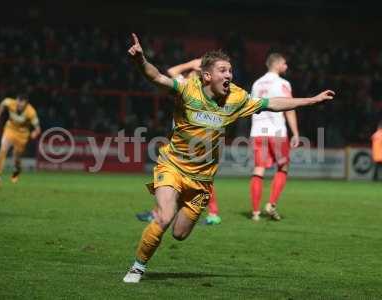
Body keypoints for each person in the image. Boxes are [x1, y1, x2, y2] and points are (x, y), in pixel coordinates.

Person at [123, 33, 334, 283]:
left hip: (202, 181)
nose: (229, 75)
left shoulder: (235, 98)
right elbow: (157, 76)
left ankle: (178, 203)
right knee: (164, 216)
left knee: (179, 234)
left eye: (231, 70)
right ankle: (137, 267)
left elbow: (271, 103)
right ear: (207, 76)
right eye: (223, 70)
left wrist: (311, 100)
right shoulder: (188, 89)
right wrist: (140, 60)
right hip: (173, 166)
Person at [136, 58, 222, 225]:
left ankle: (212, 213)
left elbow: (172, 72)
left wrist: (193, 65)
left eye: (192, 73)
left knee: (199, 176)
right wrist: (193, 64)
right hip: (182, 138)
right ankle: (159, 211)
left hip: (196, 139)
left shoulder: (199, 89)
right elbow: (172, 72)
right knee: (173, 173)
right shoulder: (185, 88)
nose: (186, 74)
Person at [249, 53, 299, 221]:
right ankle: (271, 204)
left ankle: (255, 212)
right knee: (283, 167)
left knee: (259, 168)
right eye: (284, 63)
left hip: (257, 130)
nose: (286, 66)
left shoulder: (256, 83)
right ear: (277, 64)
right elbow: (289, 107)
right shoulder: (283, 83)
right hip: (277, 131)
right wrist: (296, 132)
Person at [0, 93, 41, 188]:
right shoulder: (10, 102)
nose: (18, 105)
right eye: (18, 102)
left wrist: (35, 133)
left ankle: (17, 170)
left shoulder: (31, 112)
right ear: (16, 100)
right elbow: (2, 105)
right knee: (3, 149)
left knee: (16, 157)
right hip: (10, 129)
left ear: (26, 103)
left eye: (21, 104)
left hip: (22, 134)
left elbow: (38, 128)